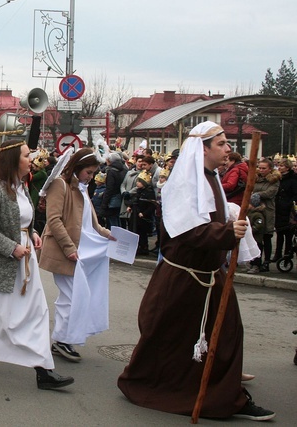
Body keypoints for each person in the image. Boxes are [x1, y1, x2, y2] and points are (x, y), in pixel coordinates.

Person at [117, 121, 275, 421]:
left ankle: (225, 390)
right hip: (183, 279)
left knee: (227, 334)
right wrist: (227, 233)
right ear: (203, 149)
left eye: (228, 143)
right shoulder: (187, 182)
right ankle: (210, 394)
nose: (228, 148)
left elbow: (209, 218)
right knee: (170, 338)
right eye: (222, 143)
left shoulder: (211, 177)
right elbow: (189, 231)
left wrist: (230, 219)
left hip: (208, 276)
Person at [0, 140, 74, 389]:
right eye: (26, 155)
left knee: (36, 311)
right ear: (13, 160)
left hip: (24, 261)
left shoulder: (20, 186)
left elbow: (22, 218)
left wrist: (31, 233)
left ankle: (43, 370)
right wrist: (12, 247)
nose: (31, 158)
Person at [39, 148, 114, 363]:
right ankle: (62, 340)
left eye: (92, 173)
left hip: (78, 251)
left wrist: (106, 233)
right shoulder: (60, 185)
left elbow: (90, 221)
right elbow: (54, 220)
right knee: (72, 297)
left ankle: (64, 339)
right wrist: (70, 248)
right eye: (88, 172)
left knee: (72, 297)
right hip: (63, 251)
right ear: (77, 168)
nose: (91, 177)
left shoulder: (81, 188)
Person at [247, 158, 279, 272]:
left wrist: (257, 194)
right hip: (255, 211)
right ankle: (256, 262)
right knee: (256, 237)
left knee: (267, 237)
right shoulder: (256, 178)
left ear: (270, 169)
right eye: (259, 167)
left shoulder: (274, 180)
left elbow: (270, 193)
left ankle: (266, 263)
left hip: (267, 211)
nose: (261, 170)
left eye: (264, 168)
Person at [273, 157, 297, 263]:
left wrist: (288, 204)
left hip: (287, 209)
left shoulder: (293, 180)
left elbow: (295, 194)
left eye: (281, 166)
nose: (279, 167)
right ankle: (277, 253)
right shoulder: (279, 178)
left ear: (287, 168)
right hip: (279, 208)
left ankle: (287, 255)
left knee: (288, 233)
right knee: (279, 233)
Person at [98, 152, 127, 227]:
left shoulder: (111, 171)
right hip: (120, 198)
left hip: (112, 199)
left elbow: (109, 188)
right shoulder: (124, 169)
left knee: (112, 221)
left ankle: (116, 237)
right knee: (118, 220)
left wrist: (104, 203)